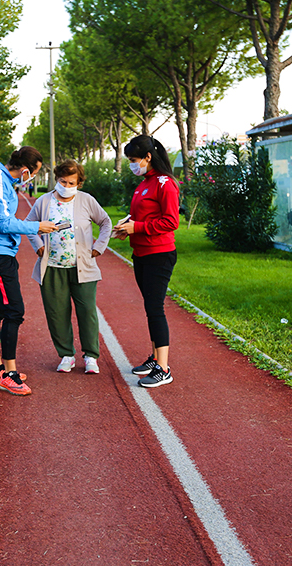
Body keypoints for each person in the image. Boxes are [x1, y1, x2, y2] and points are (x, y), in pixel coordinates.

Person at [0, 146, 57, 396]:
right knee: (14, 310)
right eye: (33, 173)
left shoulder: (3, 180)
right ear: (24, 171)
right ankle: (9, 375)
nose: (31, 178)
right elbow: (2, 222)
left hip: (0, 253)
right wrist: (36, 227)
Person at [26, 160, 112, 374]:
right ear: (57, 179)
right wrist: (38, 246)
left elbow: (105, 222)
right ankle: (66, 354)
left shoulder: (86, 201)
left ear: (79, 183)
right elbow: (29, 225)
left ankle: (91, 356)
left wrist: (99, 247)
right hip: (52, 267)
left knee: (87, 311)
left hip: (82, 267)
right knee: (56, 312)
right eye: (62, 181)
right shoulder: (44, 202)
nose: (66, 185)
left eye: (71, 182)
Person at [113, 135, 179, 388]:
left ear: (148, 157)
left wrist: (137, 227)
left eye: (133, 160)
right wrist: (126, 226)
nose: (132, 164)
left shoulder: (165, 183)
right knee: (150, 308)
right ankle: (155, 358)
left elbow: (171, 222)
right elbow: (140, 214)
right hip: (141, 253)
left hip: (158, 254)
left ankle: (163, 369)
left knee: (155, 309)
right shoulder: (144, 183)